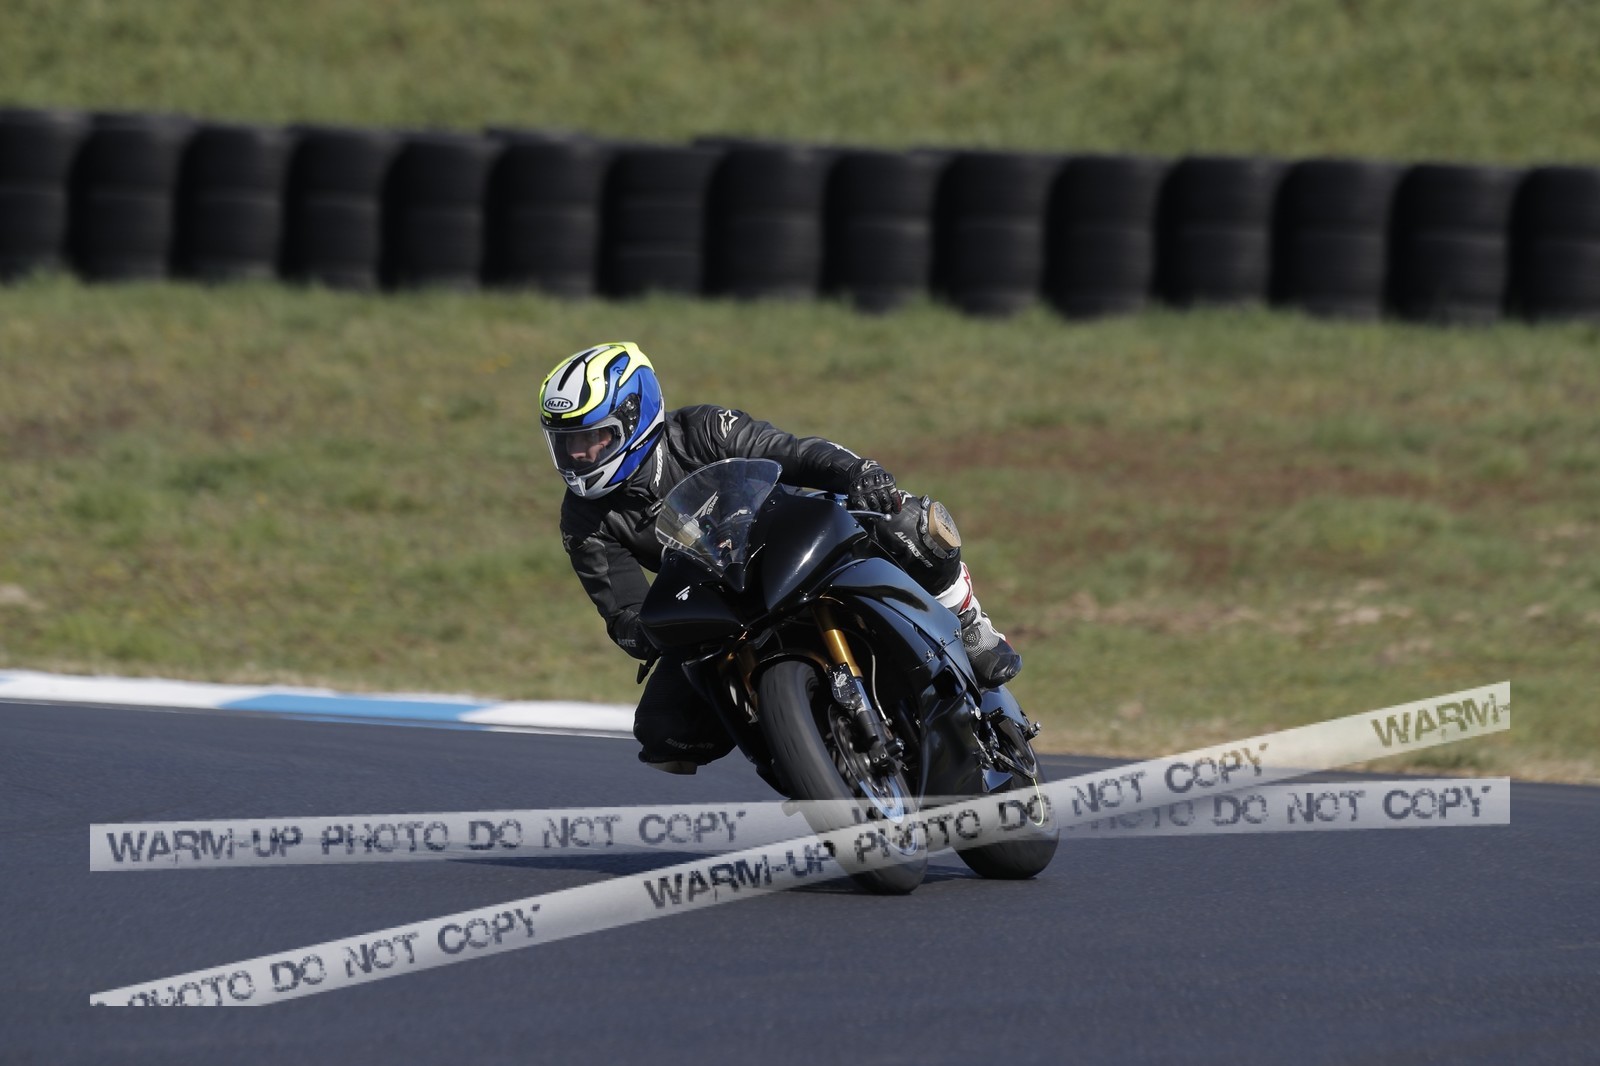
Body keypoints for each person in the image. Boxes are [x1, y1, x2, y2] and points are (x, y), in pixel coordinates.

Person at [541, 341, 1020, 774]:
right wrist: (652, 630)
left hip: (788, 538)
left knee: (908, 520)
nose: (577, 455)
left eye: (590, 438)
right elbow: (624, 611)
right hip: (716, 599)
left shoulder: (701, 429)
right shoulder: (583, 519)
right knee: (663, 733)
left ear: (634, 418)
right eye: (566, 442)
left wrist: (857, 471)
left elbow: (791, 452)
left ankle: (970, 621)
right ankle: (792, 747)